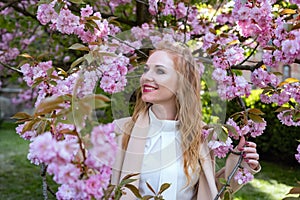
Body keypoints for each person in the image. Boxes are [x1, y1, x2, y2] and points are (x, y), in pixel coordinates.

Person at [111, 40, 260, 200]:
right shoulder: (120, 130)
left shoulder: (202, 135)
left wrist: (240, 165)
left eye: (159, 71)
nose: (147, 77)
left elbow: (208, 193)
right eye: (146, 70)